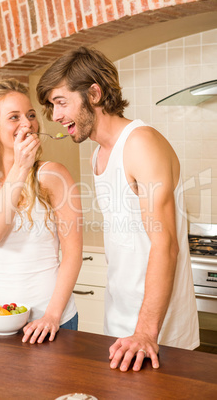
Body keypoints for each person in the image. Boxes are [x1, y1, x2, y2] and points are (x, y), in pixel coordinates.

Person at [36, 46, 200, 371]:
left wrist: (145, 332)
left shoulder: (140, 143)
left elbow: (164, 245)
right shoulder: (98, 154)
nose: (54, 116)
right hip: (121, 330)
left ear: (93, 93)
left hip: (158, 335)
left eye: (61, 102)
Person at [0, 78, 83, 344]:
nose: (28, 123)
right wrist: (20, 169)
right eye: (14, 117)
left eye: (31, 115)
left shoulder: (54, 175)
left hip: (53, 320)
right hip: (0, 320)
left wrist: (52, 316)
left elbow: (73, 253)